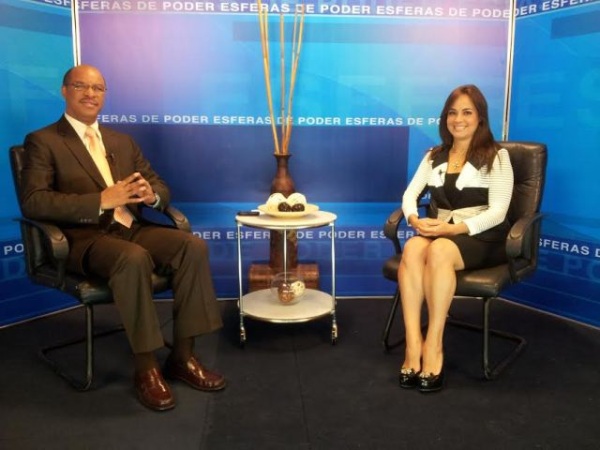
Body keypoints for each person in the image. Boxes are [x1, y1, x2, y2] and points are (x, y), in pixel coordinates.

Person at [21, 64, 226, 411]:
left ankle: (183, 356)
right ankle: (146, 369)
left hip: (131, 228)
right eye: (81, 86)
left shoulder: (121, 141)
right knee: (132, 258)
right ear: (65, 91)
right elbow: (34, 201)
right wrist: (100, 201)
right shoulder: (43, 141)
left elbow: (159, 184)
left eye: (98, 88)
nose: (90, 94)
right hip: (85, 239)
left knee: (192, 247)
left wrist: (151, 195)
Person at [397, 84, 514, 393]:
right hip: (441, 231)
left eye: (466, 112)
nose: (458, 119)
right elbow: (410, 195)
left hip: (483, 237)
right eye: (452, 113)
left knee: (438, 251)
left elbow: (498, 212)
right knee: (413, 247)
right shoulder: (434, 156)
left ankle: (434, 345)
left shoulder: (497, 157)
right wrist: (415, 219)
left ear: (480, 118)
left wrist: (452, 230)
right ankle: (413, 343)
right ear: (445, 118)